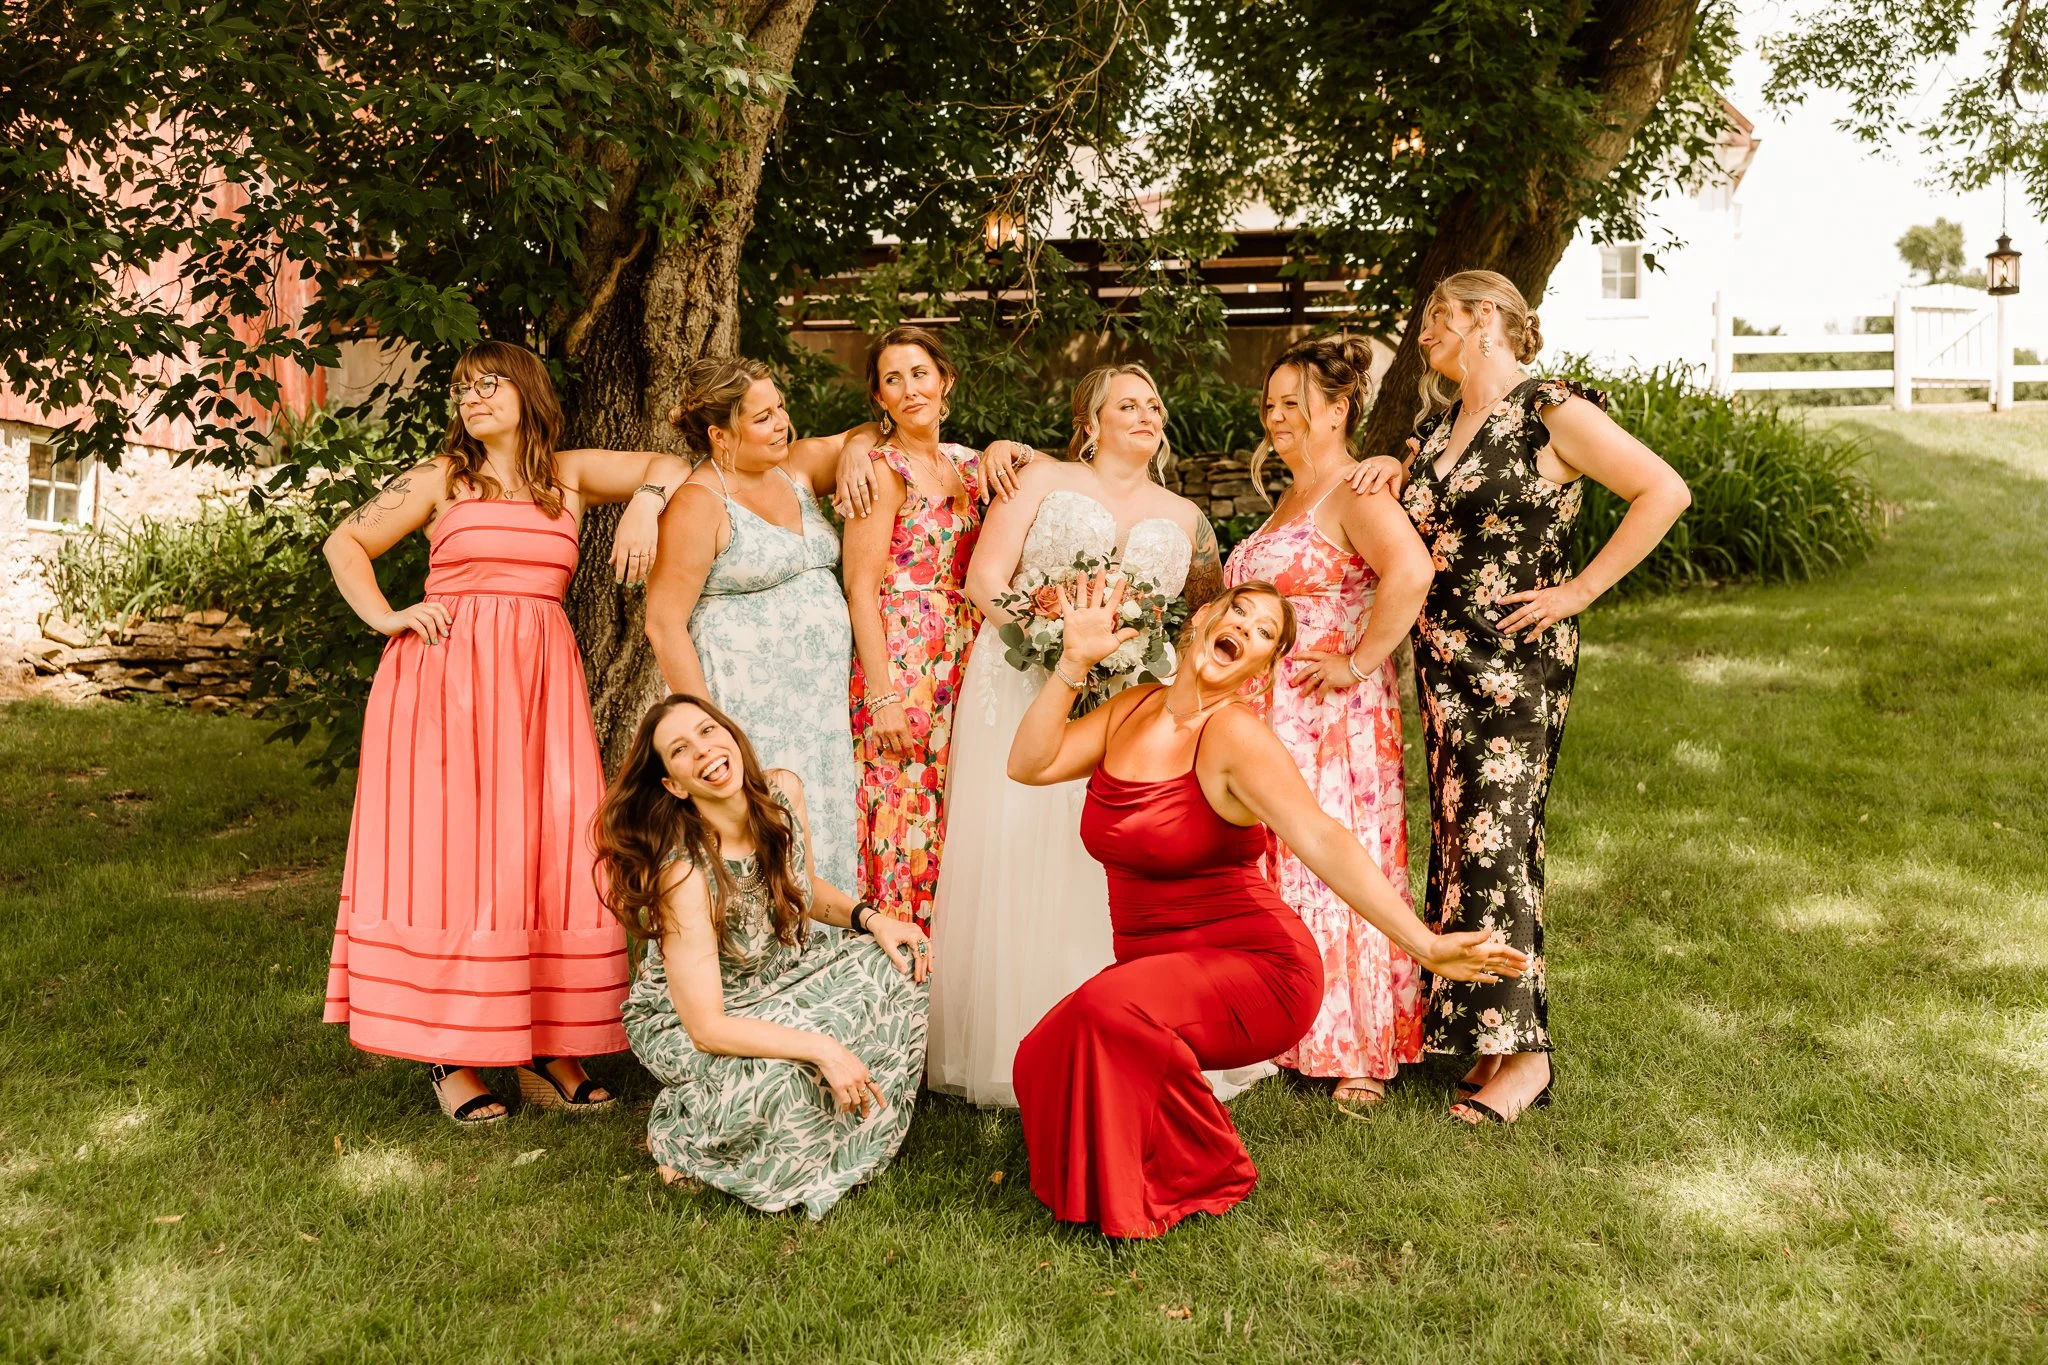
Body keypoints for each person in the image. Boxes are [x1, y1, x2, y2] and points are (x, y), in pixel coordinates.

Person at [1007, 577, 1529, 1238]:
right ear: (1202, 618)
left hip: (1258, 969)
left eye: (1263, 635)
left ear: (1260, 669)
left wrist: (1424, 944)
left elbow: (1322, 837)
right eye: (1239, 614)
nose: (1245, 632)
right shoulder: (1130, 708)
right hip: (1158, 969)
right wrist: (1074, 662)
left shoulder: (1232, 735)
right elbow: (1029, 764)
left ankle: (1209, 1166)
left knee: (1104, 1011)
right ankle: (1118, 1169)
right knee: (1041, 1052)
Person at [322, 339, 689, 1124]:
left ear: (528, 393)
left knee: (551, 850)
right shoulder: (440, 479)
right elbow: (343, 541)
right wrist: (387, 615)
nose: (474, 396)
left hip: (540, 689)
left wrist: (647, 506)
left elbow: (672, 465)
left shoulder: (569, 475)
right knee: (451, 859)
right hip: (443, 686)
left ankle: (545, 1044)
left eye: (491, 382)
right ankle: (448, 1052)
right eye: (463, 386)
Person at [1356, 269, 1691, 1124]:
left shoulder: (1549, 410)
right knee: (1461, 844)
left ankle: (1526, 1056)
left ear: (1484, 317)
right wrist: (1392, 461)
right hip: (1442, 666)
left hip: (1514, 665)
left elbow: (1664, 490)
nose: (1424, 335)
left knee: (1500, 844)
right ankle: (1485, 1034)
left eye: (1437, 317)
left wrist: (1580, 589)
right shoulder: (1439, 427)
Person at [924, 363, 1225, 1107]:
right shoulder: (1038, 479)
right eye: (1128, 404)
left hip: (1129, 694)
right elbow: (984, 580)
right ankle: (1015, 1035)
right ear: (1090, 423)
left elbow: (1201, 614)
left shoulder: (1186, 516)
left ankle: (1126, 1025)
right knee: (1020, 837)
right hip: (1022, 679)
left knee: (1111, 848)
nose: (1148, 414)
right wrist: (1054, 643)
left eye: (1154, 403)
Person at [595, 694, 933, 1218]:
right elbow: (707, 1028)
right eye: (680, 750)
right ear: (673, 785)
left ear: (731, 734)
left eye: (708, 731)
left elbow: (805, 889)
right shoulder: (683, 873)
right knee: (787, 1078)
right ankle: (687, 1130)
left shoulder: (781, 794)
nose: (703, 750)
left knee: (903, 962)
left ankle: (838, 1109)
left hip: (783, 973)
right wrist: (821, 1048)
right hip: (697, 1019)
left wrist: (875, 920)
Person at [1223, 336, 1434, 1109]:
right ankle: (1293, 1028)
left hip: (1333, 720)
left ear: (1339, 409)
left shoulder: (1355, 490)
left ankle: (1361, 1046)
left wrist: (1359, 659)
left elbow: (1412, 570)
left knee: (1340, 859)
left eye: (1295, 403)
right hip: (1268, 716)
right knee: (1282, 863)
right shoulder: (1293, 497)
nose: (1276, 416)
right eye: (1271, 404)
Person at [644, 358, 874, 895]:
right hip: (749, 713)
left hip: (821, 712)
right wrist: (711, 734)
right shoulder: (699, 504)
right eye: (763, 417)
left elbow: (873, 431)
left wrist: (857, 450)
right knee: (770, 852)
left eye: (781, 408)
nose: (782, 423)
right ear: (721, 435)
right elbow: (664, 624)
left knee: (825, 838)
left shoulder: (797, 468)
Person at [835, 325, 1032, 925]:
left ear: (945, 380)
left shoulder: (970, 465)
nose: (910, 389)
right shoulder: (881, 469)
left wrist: (1007, 445)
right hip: (905, 660)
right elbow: (859, 589)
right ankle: (901, 956)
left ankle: (953, 961)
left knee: (957, 809)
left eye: (920, 374)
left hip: (967, 656)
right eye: (893, 380)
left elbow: (1052, 476)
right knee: (904, 810)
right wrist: (883, 696)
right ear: (880, 398)